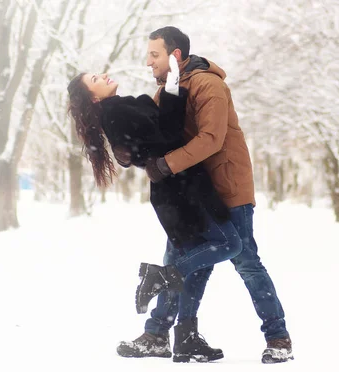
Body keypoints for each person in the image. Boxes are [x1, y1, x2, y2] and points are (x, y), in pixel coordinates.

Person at [115, 26, 293, 364]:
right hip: (192, 192)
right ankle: (162, 335)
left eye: (154, 55)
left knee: (246, 262)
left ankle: (278, 337)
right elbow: (152, 133)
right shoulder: (168, 89)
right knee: (180, 261)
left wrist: (165, 165)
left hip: (226, 189)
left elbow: (211, 137)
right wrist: (125, 147)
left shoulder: (209, 84)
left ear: (174, 55)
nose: (148, 62)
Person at [66, 57, 242, 362]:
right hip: (180, 189)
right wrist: (141, 155)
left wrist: (172, 86)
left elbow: (166, 129)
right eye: (96, 78)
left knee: (193, 261)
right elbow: (158, 142)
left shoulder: (126, 105)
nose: (104, 74)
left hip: (181, 186)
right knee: (228, 244)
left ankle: (164, 335)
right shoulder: (116, 113)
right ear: (94, 97)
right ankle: (163, 288)